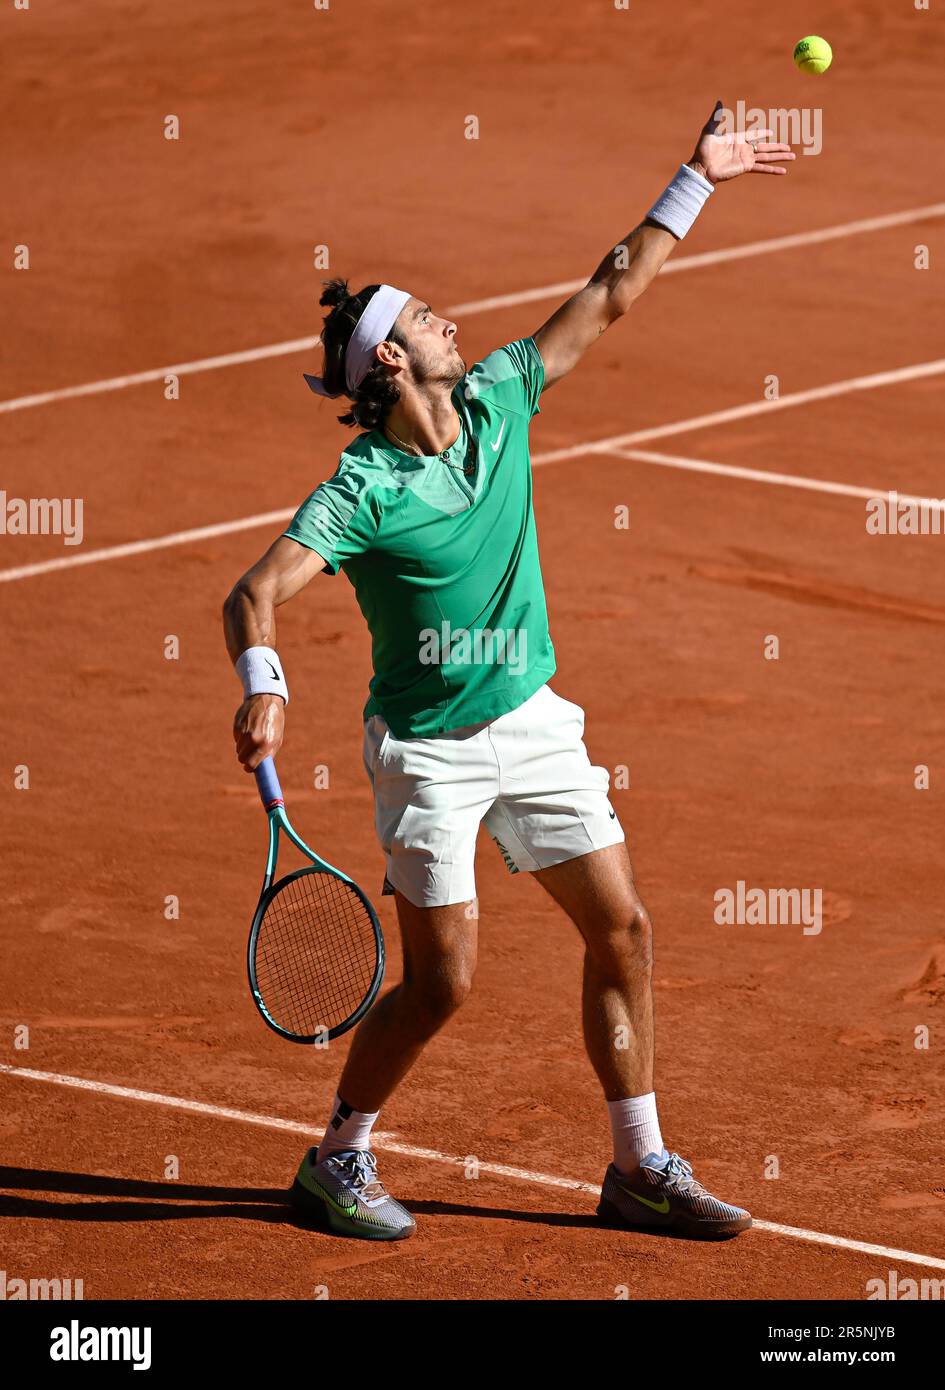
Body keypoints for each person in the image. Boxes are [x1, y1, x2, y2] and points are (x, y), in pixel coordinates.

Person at [223, 102, 794, 1241]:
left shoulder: (499, 396)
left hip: (531, 718)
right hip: (427, 749)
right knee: (444, 985)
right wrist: (266, 679)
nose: (452, 323)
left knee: (623, 930)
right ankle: (337, 1156)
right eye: (428, 320)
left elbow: (611, 290)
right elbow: (253, 589)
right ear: (392, 358)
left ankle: (639, 1164)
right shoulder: (360, 493)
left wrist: (699, 177)